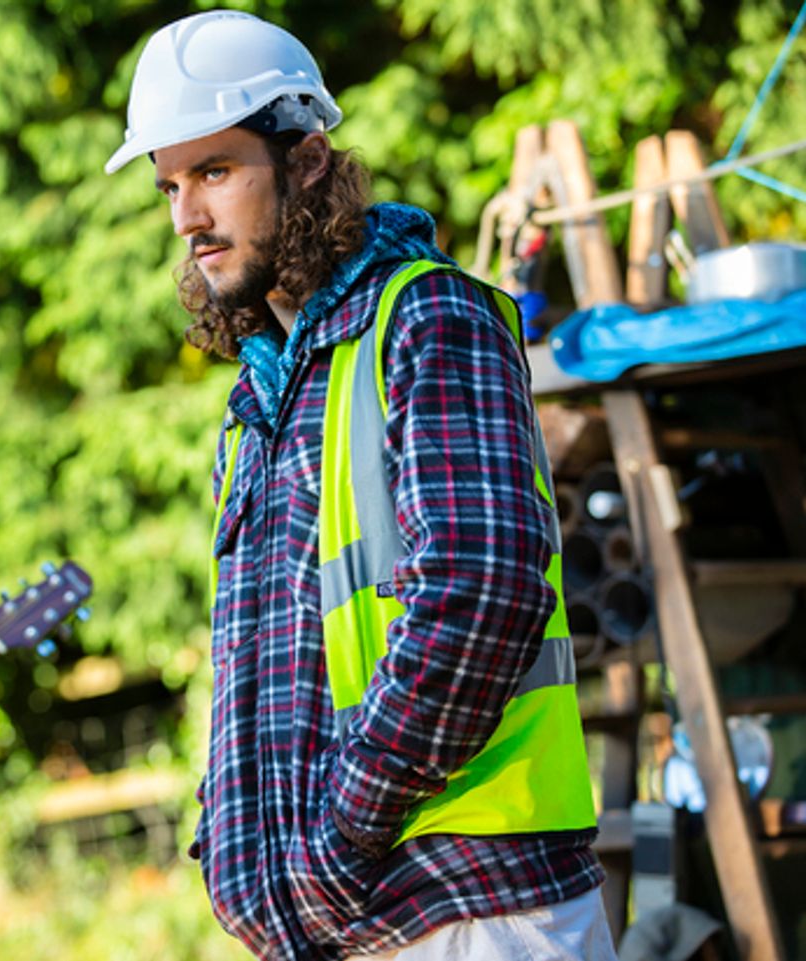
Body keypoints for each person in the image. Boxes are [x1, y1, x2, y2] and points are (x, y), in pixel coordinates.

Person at [105, 11, 614, 961]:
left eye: (215, 171)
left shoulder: (431, 318)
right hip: (341, 929)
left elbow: (481, 590)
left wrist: (335, 836)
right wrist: (239, 851)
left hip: (472, 914)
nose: (186, 216)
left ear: (304, 161)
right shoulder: (261, 397)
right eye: (170, 183)